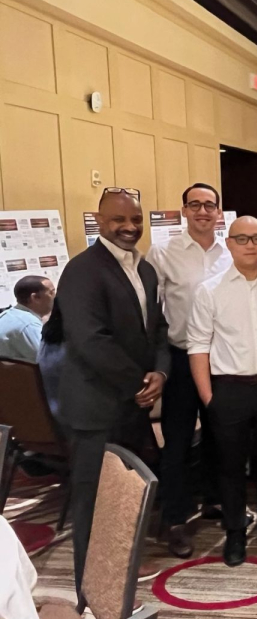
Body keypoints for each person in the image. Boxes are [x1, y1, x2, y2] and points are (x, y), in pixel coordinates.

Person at [55, 187, 170, 595]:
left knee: (125, 495)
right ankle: (90, 589)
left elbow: (157, 331)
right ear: (99, 221)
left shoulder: (147, 270)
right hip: (95, 408)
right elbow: (89, 340)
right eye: (119, 219)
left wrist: (160, 372)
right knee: (92, 500)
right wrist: (139, 383)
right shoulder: (82, 270)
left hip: (131, 405)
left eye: (136, 219)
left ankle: (121, 571)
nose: (129, 227)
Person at [187, 216, 257, 567]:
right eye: (242, 239)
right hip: (229, 391)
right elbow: (198, 346)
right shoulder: (210, 290)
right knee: (230, 466)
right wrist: (209, 398)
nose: (250, 245)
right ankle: (235, 530)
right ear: (230, 243)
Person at [145, 183, 233, 558]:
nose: (202, 211)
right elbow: (152, 313)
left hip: (222, 360)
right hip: (181, 360)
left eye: (209, 205)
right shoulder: (162, 253)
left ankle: (214, 500)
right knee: (178, 442)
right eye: (194, 204)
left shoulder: (230, 253)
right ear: (183, 210)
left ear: (218, 212)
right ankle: (176, 520)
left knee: (220, 436)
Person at [0, 276, 54, 363]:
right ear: (35, 298)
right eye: (51, 292)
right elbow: (49, 361)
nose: (55, 296)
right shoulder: (28, 325)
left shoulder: (9, 315)